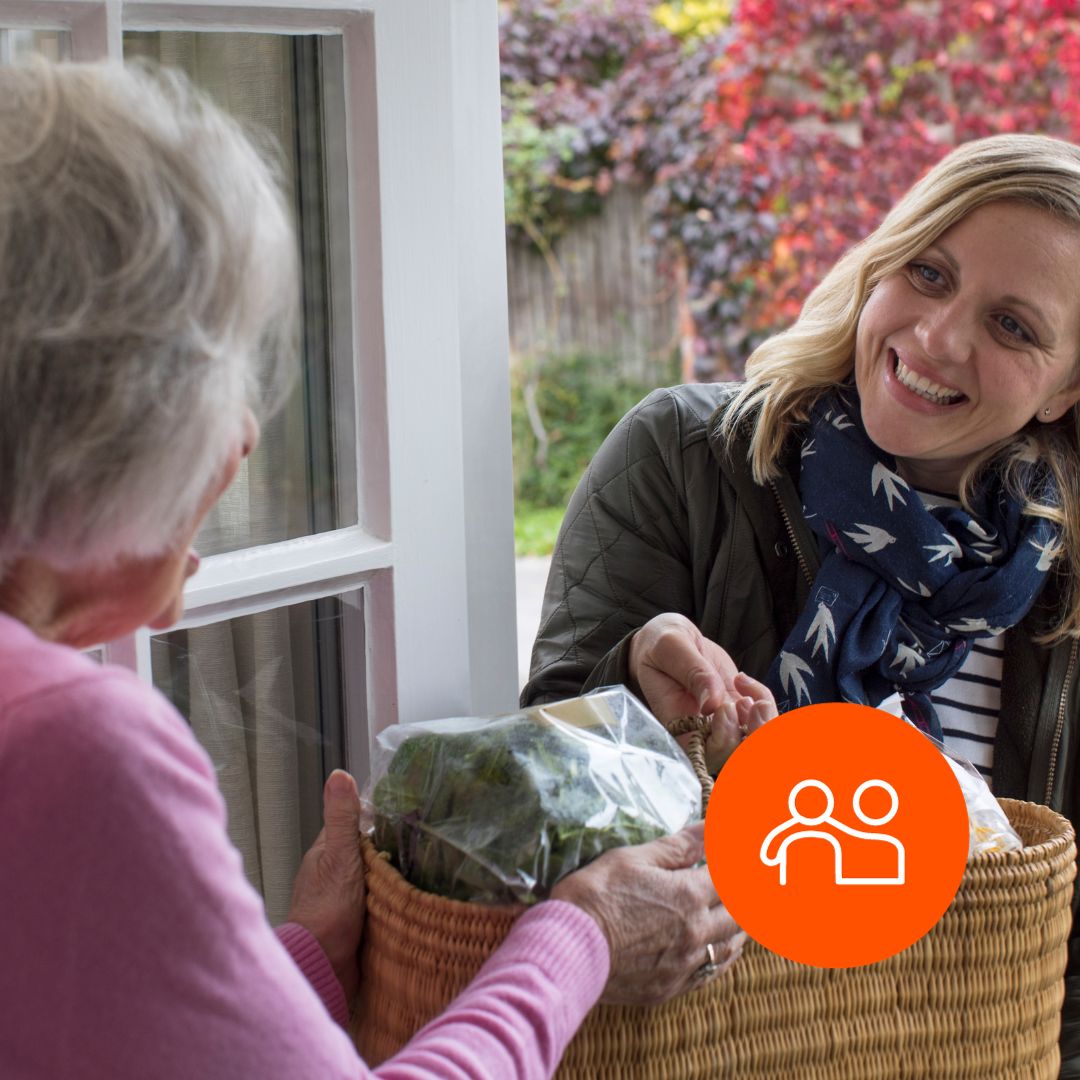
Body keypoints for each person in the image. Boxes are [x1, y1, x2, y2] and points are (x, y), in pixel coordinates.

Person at [0, 61, 746, 1080]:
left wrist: (299, 963)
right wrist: (581, 935)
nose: (247, 436)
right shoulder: (67, 745)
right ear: (107, 419)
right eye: (227, 366)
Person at [522, 132, 1080, 1074]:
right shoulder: (683, 459)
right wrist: (632, 688)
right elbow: (537, 797)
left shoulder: (1062, 572)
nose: (939, 338)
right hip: (721, 1047)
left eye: (1014, 327)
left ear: (1067, 389)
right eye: (930, 273)